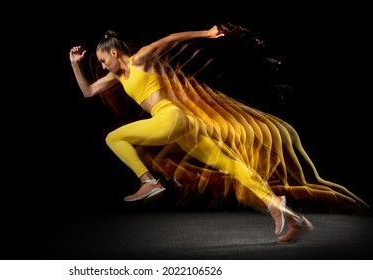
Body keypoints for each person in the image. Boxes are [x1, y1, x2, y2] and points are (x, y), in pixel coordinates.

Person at [69, 24, 314, 243]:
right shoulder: (117, 76)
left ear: (114, 53)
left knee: (113, 138)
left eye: (102, 60)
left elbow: (172, 38)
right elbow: (88, 92)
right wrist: (75, 64)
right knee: (230, 164)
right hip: (180, 125)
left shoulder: (140, 59)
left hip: (170, 117)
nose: (102, 66)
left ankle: (149, 181)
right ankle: (291, 216)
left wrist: (206, 34)